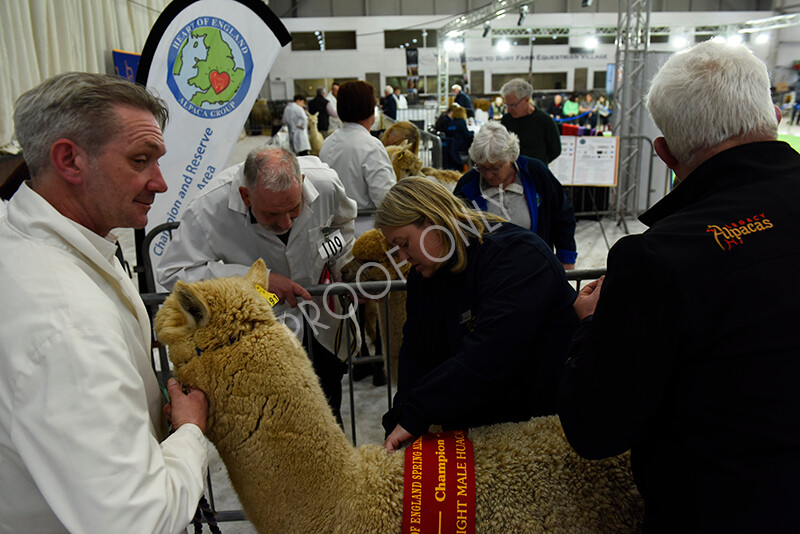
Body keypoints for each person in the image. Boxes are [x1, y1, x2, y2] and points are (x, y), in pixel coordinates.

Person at [557, 41, 800, 532]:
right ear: (773, 114)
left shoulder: (658, 259)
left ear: (665, 153)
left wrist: (589, 326)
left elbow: (597, 429)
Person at [0, 72, 208, 532]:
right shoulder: (69, 325)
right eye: (140, 160)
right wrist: (191, 432)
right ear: (69, 159)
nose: (160, 184)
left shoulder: (30, 237)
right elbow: (138, 520)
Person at [157, 147, 357, 425]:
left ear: (301, 181)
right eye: (273, 215)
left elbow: (343, 223)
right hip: (259, 340)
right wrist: (256, 280)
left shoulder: (324, 182)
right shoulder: (208, 209)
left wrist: (339, 268)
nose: (286, 223)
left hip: (322, 324)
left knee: (328, 412)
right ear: (245, 196)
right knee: (275, 423)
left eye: (295, 209)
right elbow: (173, 272)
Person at [378, 177, 578, 453]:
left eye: (404, 244)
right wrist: (401, 418)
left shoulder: (516, 257)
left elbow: (490, 354)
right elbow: (415, 350)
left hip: (540, 432)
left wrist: (418, 414)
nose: (402, 258)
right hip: (475, 429)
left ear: (432, 221)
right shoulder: (424, 276)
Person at [454, 121, 577, 269]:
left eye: (495, 168)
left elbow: (562, 215)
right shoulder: (467, 186)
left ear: (511, 158)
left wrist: (566, 258)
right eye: (482, 167)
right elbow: (457, 233)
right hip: (489, 273)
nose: (488, 175)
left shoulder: (536, 173)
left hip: (535, 268)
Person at [320, 80, 396, 236]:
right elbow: (386, 199)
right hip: (364, 232)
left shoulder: (328, 143)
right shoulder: (370, 145)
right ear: (370, 109)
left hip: (334, 233)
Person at [500, 78, 561, 164]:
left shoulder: (545, 121)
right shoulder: (506, 120)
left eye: (512, 105)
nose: (509, 110)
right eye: (506, 105)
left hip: (536, 173)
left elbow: (555, 150)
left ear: (526, 100)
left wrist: (538, 165)